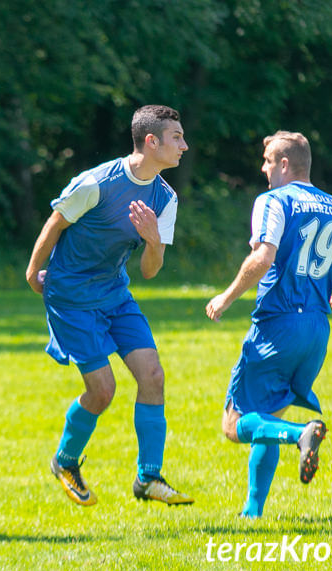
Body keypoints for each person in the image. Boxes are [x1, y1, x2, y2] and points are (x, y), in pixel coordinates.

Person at [205, 131, 332, 518]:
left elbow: (263, 257)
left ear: (285, 164)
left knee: (234, 423)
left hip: (278, 325)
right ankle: (252, 514)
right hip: (316, 331)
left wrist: (226, 296)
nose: (263, 167)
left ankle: (300, 435)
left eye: (268, 160)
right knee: (269, 413)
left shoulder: (273, 201)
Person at [25, 105, 194, 507]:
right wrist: (33, 272)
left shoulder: (164, 198)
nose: (184, 146)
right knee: (102, 391)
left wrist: (153, 241)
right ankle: (65, 462)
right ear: (151, 142)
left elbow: (151, 271)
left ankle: (149, 478)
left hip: (116, 294)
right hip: (72, 298)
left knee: (152, 375)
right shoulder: (98, 182)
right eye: (176, 137)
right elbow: (55, 223)